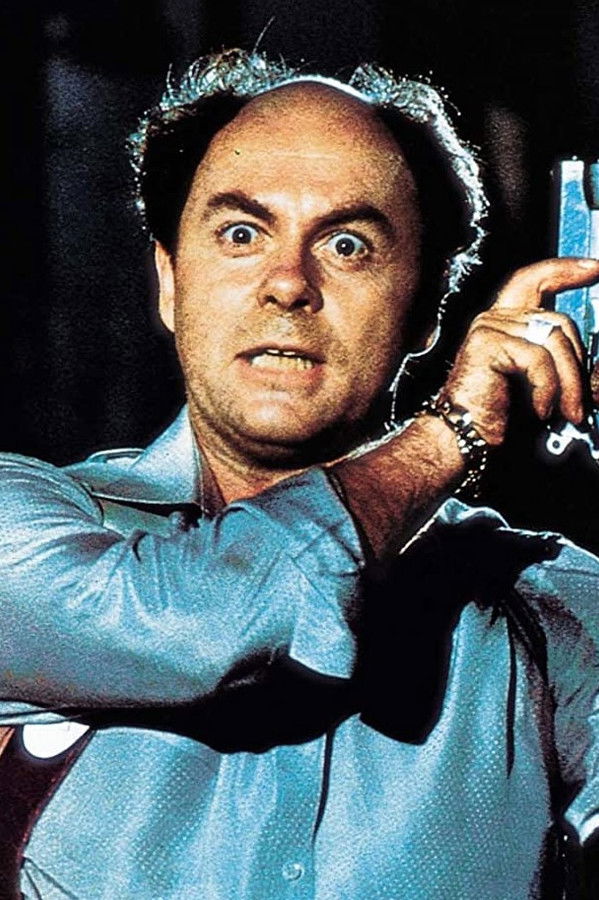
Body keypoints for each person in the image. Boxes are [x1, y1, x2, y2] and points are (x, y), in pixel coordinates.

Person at [1, 47, 599, 899]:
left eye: (348, 245)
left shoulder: (545, 607)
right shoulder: (30, 529)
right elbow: (197, 625)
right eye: (241, 235)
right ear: (170, 281)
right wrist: (451, 435)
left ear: (428, 310)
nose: (287, 284)